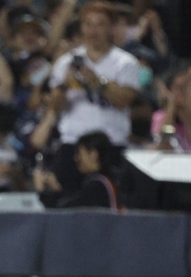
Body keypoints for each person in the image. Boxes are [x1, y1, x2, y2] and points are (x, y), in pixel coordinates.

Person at [47, 0, 140, 192]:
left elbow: (124, 101)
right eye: (88, 24)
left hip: (110, 147)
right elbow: (54, 108)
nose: (93, 31)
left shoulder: (125, 63)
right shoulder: (66, 63)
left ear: (111, 28)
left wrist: (97, 82)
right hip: (73, 146)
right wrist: (65, 84)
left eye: (100, 24)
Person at [34, 131, 119, 209]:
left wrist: (41, 191)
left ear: (93, 154)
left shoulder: (98, 185)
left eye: (79, 153)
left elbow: (66, 212)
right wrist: (58, 190)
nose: (76, 158)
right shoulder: (105, 179)